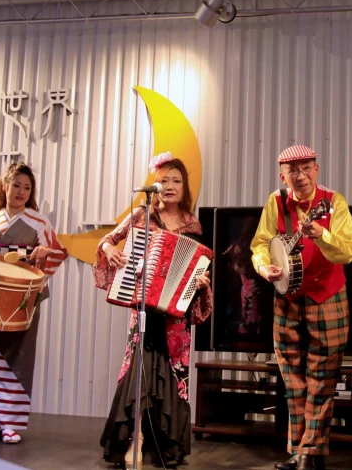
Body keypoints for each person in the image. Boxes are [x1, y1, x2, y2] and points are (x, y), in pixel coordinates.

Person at [93, 152, 213, 468]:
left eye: (177, 181)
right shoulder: (142, 216)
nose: (170, 186)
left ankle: (167, 444)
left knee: (173, 374)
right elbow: (107, 240)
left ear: (186, 188)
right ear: (155, 185)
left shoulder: (193, 224)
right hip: (144, 308)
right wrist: (111, 251)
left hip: (176, 316)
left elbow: (198, 266)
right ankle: (136, 439)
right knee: (140, 374)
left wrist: (201, 282)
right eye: (164, 180)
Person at [250, 145, 352, 470]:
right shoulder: (276, 203)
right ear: (282, 175)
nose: (301, 175)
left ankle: (310, 453)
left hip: (328, 297)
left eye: (306, 167)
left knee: (322, 379)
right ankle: (301, 453)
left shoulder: (333, 202)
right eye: (293, 170)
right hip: (287, 298)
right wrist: (264, 267)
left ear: (317, 169)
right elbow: (260, 244)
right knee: (292, 379)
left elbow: (347, 252)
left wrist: (321, 234)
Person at [0, 162, 68, 444]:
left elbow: (57, 253)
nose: (21, 191)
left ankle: (10, 423)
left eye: (27, 187)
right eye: (16, 185)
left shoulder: (39, 222)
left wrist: (44, 251)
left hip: (22, 297)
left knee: (18, 356)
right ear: (4, 186)